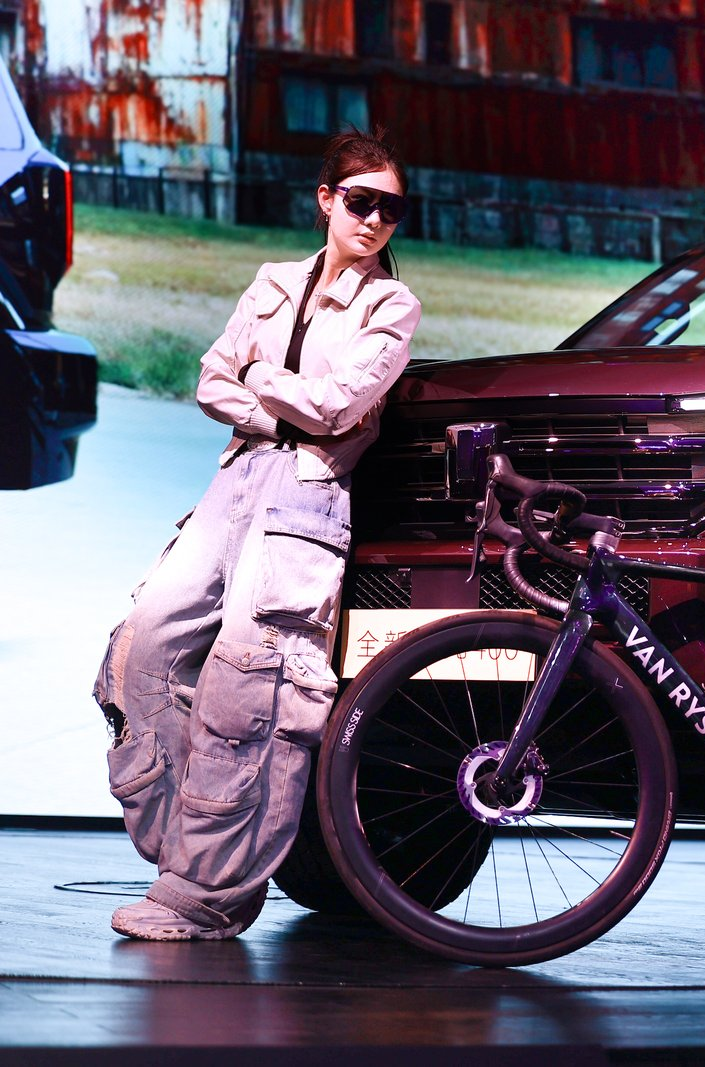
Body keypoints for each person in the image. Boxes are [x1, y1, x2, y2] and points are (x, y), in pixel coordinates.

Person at [92, 129, 422, 941]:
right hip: (235, 478)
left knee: (253, 683)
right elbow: (211, 379)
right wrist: (278, 406)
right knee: (143, 646)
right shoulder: (273, 281)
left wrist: (261, 379)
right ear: (326, 199)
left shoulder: (392, 306)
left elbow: (338, 408)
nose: (374, 220)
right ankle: (189, 855)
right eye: (361, 201)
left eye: (391, 209)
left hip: (307, 496)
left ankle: (209, 891)